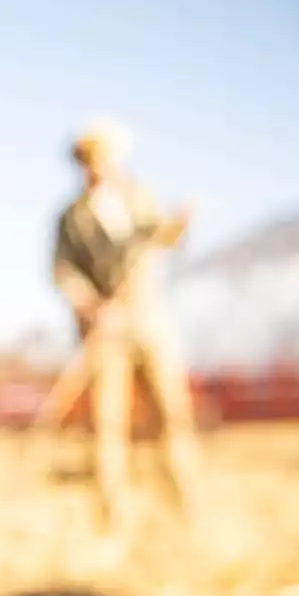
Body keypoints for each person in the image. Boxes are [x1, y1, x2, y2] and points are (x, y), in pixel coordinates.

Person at [52, 117, 203, 527]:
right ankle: (112, 512)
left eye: (105, 156)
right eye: (91, 158)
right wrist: (90, 306)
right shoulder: (71, 218)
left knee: (172, 412)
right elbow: (64, 272)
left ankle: (184, 499)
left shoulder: (139, 199)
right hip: (105, 331)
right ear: (82, 163)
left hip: (149, 321)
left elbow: (162, 238)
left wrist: (180, 224)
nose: (98, 165)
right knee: (107, 421)